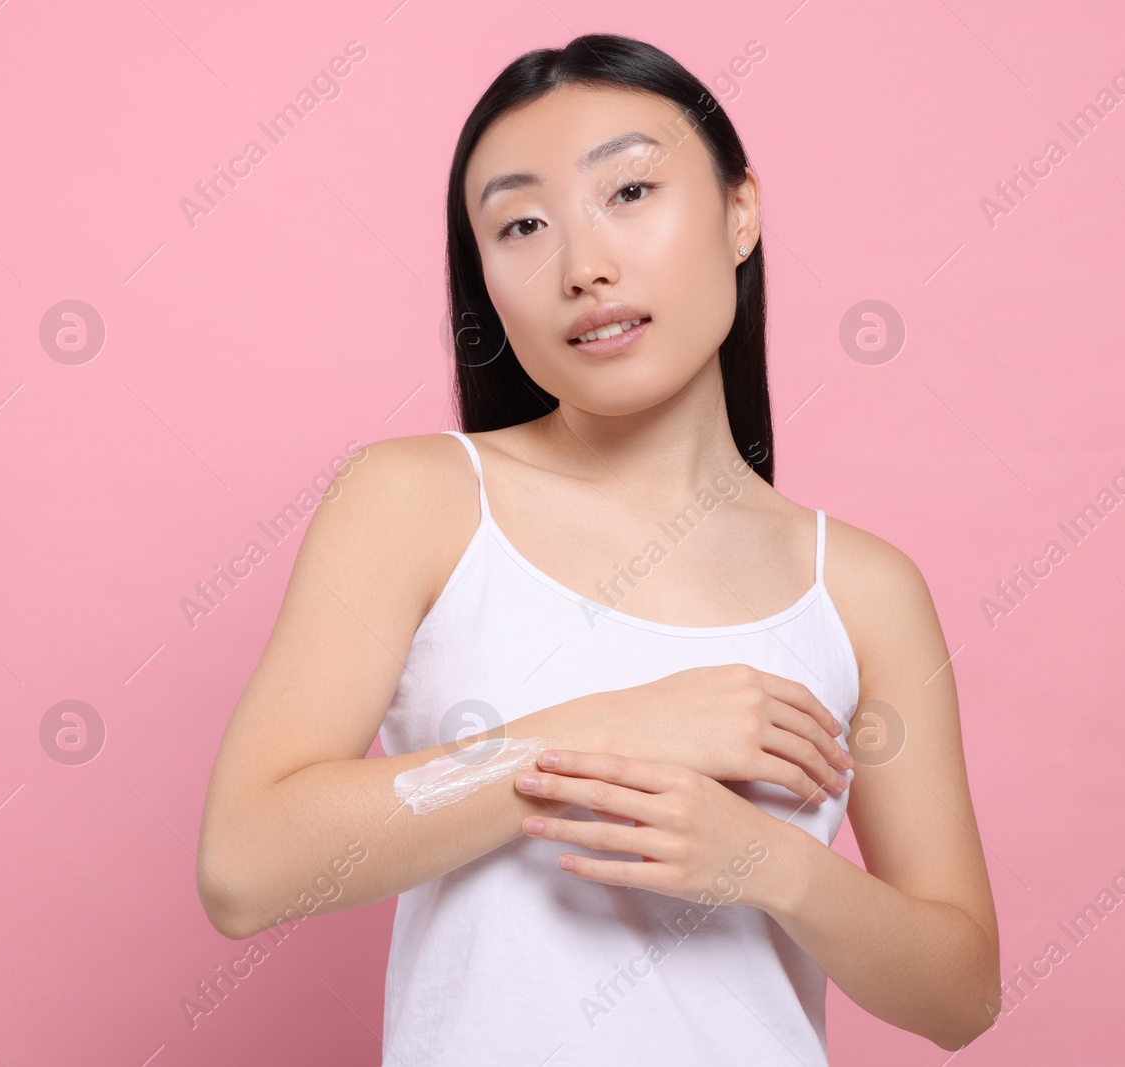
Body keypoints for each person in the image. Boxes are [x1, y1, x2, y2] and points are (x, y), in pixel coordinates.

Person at [196, 32, 1000, 1065]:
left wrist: (769, 864)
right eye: (524, 223)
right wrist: (603, 732)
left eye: (629, 191)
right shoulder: (418, 499)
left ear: (740, 211)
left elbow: (961, 991)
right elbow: (249, 863)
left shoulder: (861, 587)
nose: (586, 266)